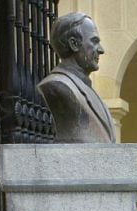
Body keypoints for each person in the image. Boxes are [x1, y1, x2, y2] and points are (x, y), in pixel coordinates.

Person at [37, 12, 116, 143]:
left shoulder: (87, 89)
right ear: (74, 44)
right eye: (94, 41)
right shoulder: (58, 85)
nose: (101, 50)